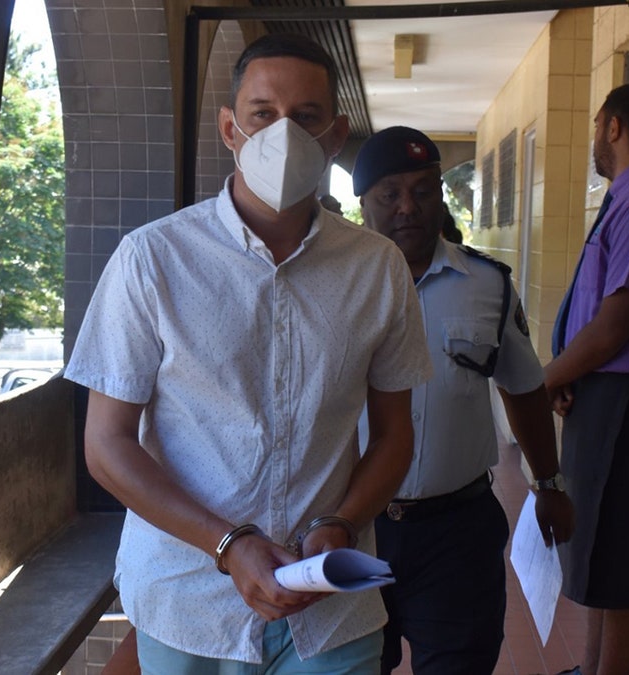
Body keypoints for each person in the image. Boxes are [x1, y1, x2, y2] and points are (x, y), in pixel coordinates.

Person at [64, 34, 432, 674]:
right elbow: (107, 445)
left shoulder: (378, 269)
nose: (283, 134)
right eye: (263, 114)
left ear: (335, 134)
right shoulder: (152, 260)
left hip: (329, 608)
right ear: (230, 129)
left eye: (307, 117)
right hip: (188, 598)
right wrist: (228, 545)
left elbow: (395, 433)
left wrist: (340, 524)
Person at [352, 126, 575, 675]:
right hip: (353, 526)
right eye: (390, 194)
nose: (409, 207)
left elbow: (523, 388)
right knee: (351, 666)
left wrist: (547, 484)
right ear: (364, 203)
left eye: (424, 191)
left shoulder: (487, 285)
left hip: (456, 530)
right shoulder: (334, 285)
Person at [544, 83, 629, 675]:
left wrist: (545, 378)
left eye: (597, 125)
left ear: (615, 127)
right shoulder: (626, 196)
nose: (594, 139)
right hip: (604, 392)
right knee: (597, 546)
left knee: (623, 554)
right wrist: (573, 373)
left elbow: (616, 323)